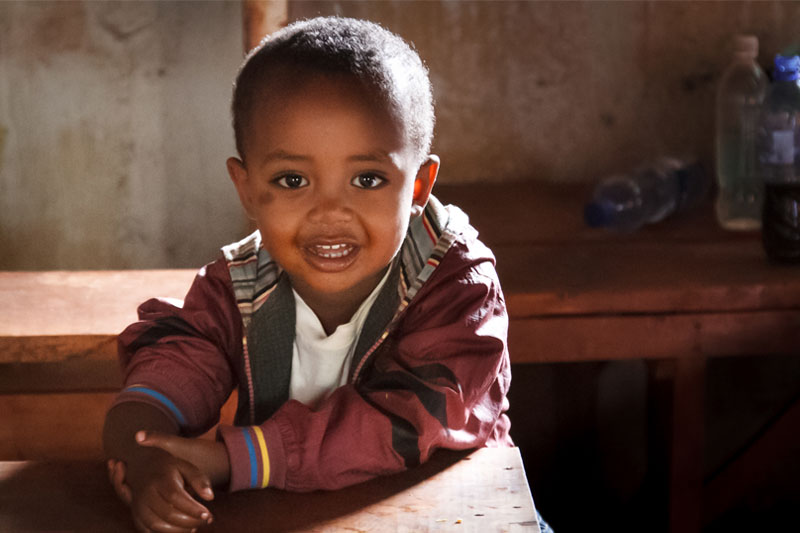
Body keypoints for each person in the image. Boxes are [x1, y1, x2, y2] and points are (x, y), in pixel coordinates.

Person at [103, 16, 517, 533]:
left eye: (368, 179)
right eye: (292, 180)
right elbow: (169, 368)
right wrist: (144, 452)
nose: (329, 211)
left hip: (455, 518)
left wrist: (238, 459)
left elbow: (407, 422)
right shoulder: (240, 287)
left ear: (418, 187)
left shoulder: (458, 285)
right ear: (247, 188)